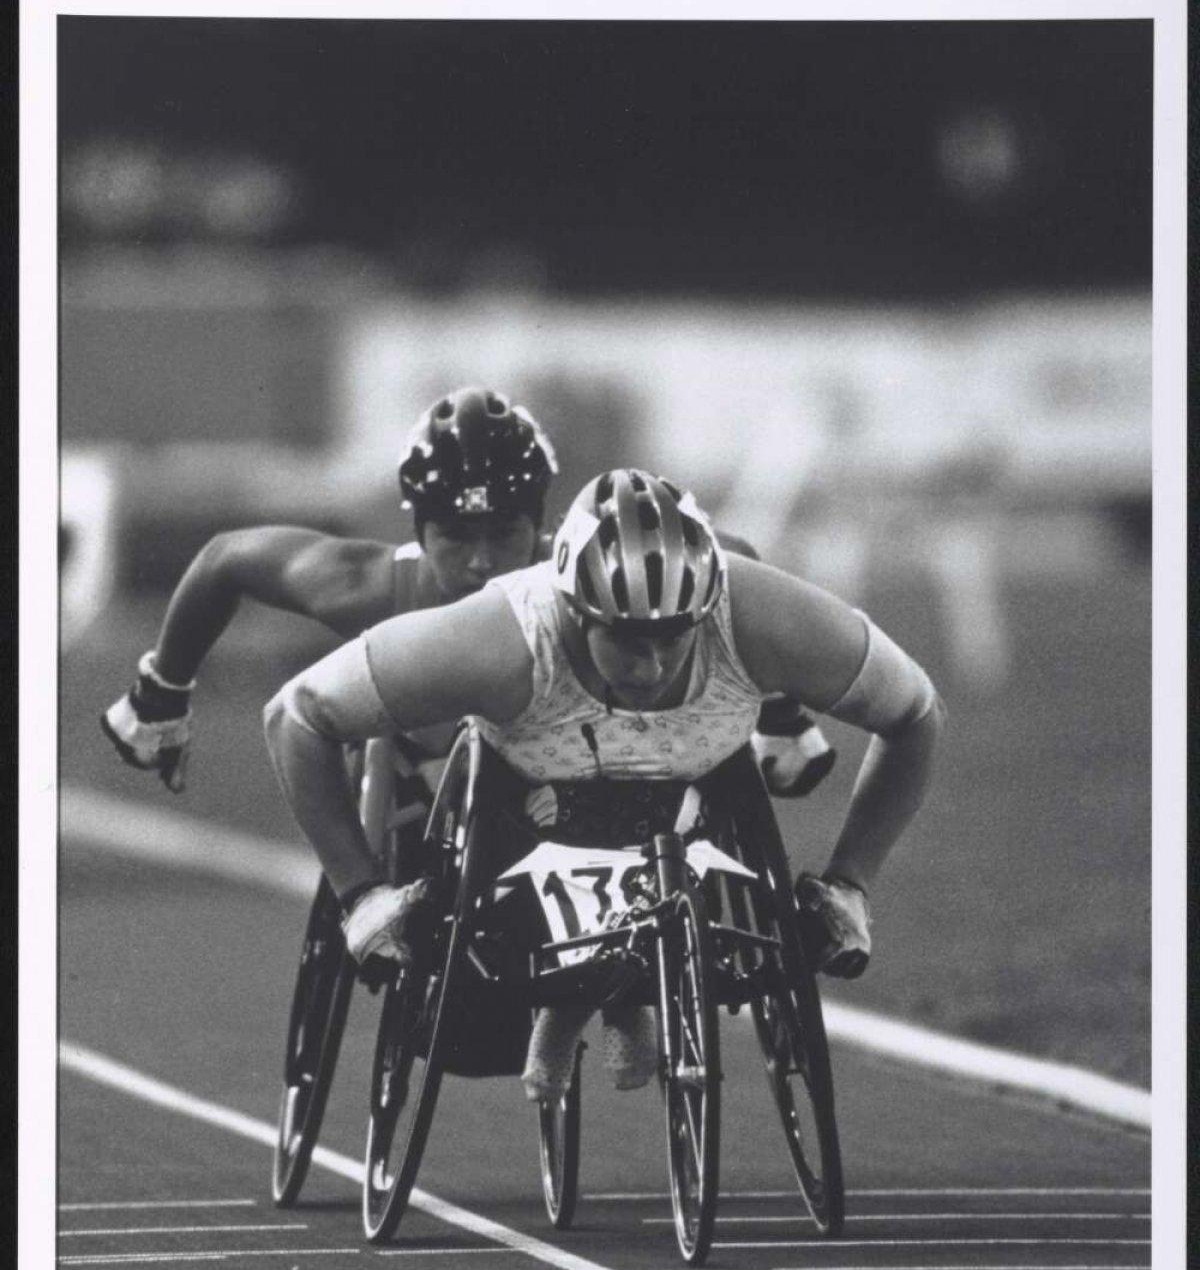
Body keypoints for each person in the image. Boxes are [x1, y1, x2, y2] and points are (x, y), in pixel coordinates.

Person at [262, 470, 945, 1101]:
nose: (650, 667)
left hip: (695, 800)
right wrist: (359, 894)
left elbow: (915, 714)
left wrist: (850, 883)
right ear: (573, 612)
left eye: (673, 639)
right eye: (624, 640)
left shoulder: (762, 617)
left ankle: (603, 994)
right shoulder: (498, 637)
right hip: (533, 810)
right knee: (469, 1043)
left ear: (707, 609)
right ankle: (585, 999)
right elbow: (294, 716)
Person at [100, 388, 836, 800]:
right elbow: (226, 557)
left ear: (543, 523)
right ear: (418, 525)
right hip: (417, 784)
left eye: (504, 532)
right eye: (455, 535)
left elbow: (726, 559)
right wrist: (160, 693)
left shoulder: (587, 581)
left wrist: (779, 710)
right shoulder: (370, 583)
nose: (482, 562)